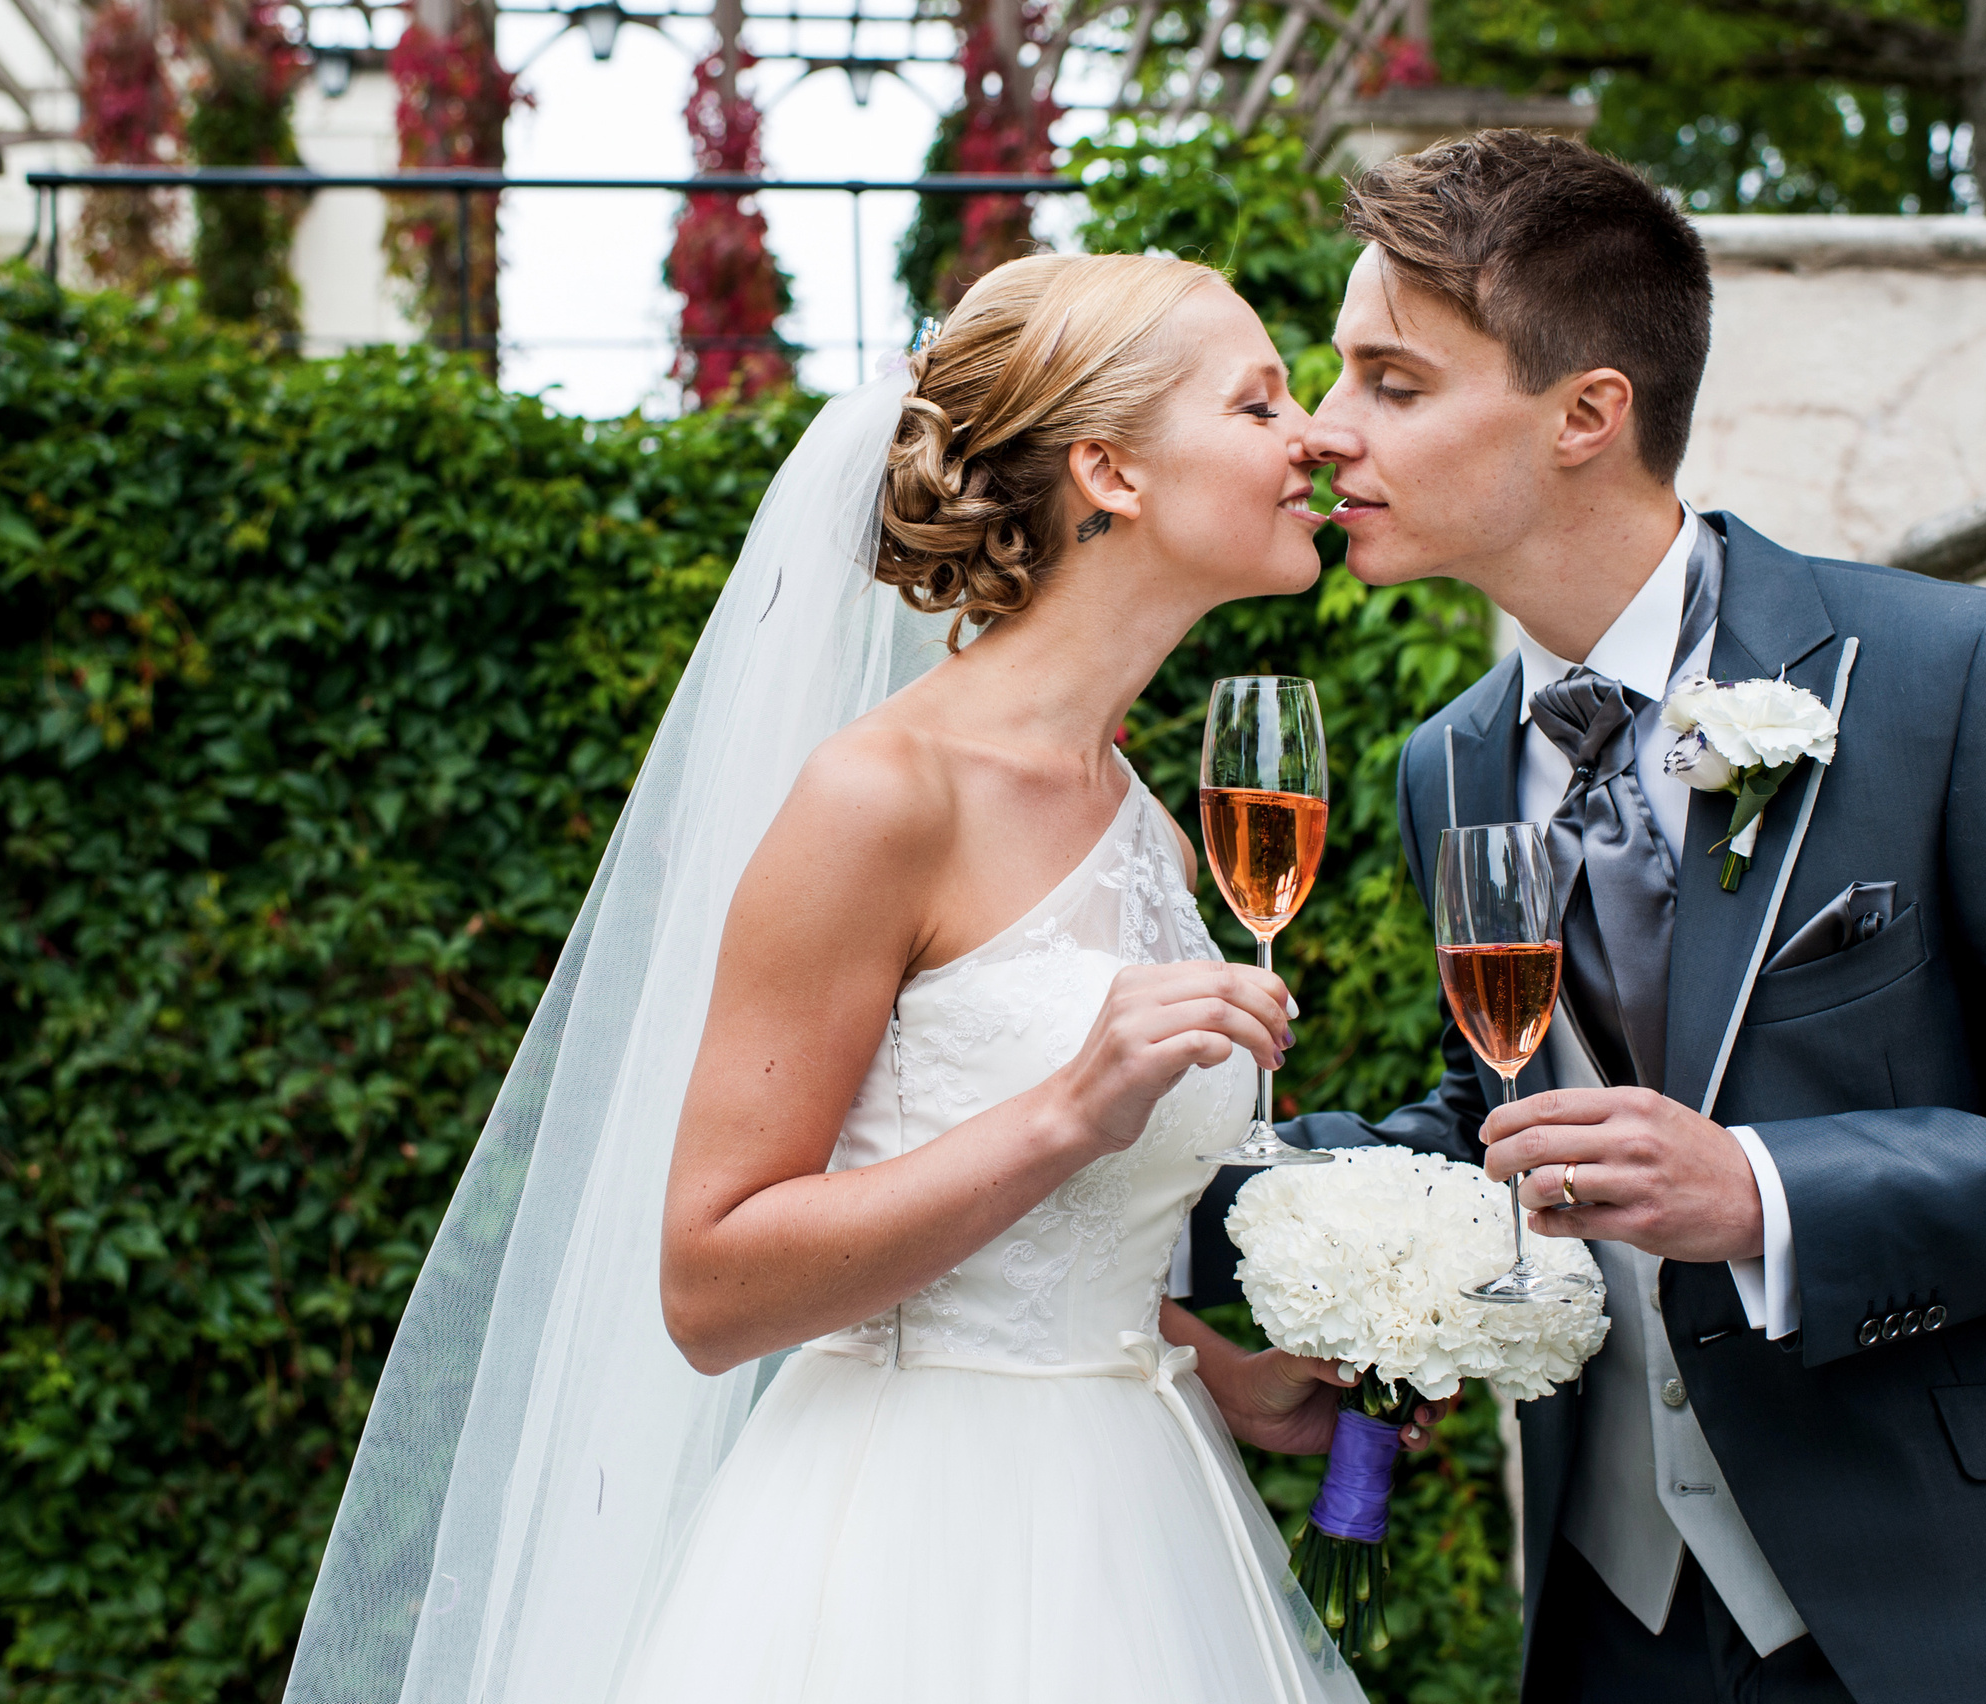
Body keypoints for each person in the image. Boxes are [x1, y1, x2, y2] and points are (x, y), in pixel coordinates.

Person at [1187, 132, 1986, 1702]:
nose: (1323, 433)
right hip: (1608, 1611)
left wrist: (1765, 1192)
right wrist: (1167, 1201)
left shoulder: (1953, 676)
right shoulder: (1449, 762)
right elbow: (1503, 1109)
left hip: (1960, 1607)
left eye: (1393, 382)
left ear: (1587, 415)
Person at [285, 252, 1381, 1704]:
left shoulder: (1145, 817)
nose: (1314, 433)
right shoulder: (881, 798)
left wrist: (1214, 1369)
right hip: (905, 1551)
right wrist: (1069, 1107)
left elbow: (1031, 1254)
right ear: (1109, 471)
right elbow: (711, 1279)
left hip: (1138, 1508)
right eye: (1260, 402)